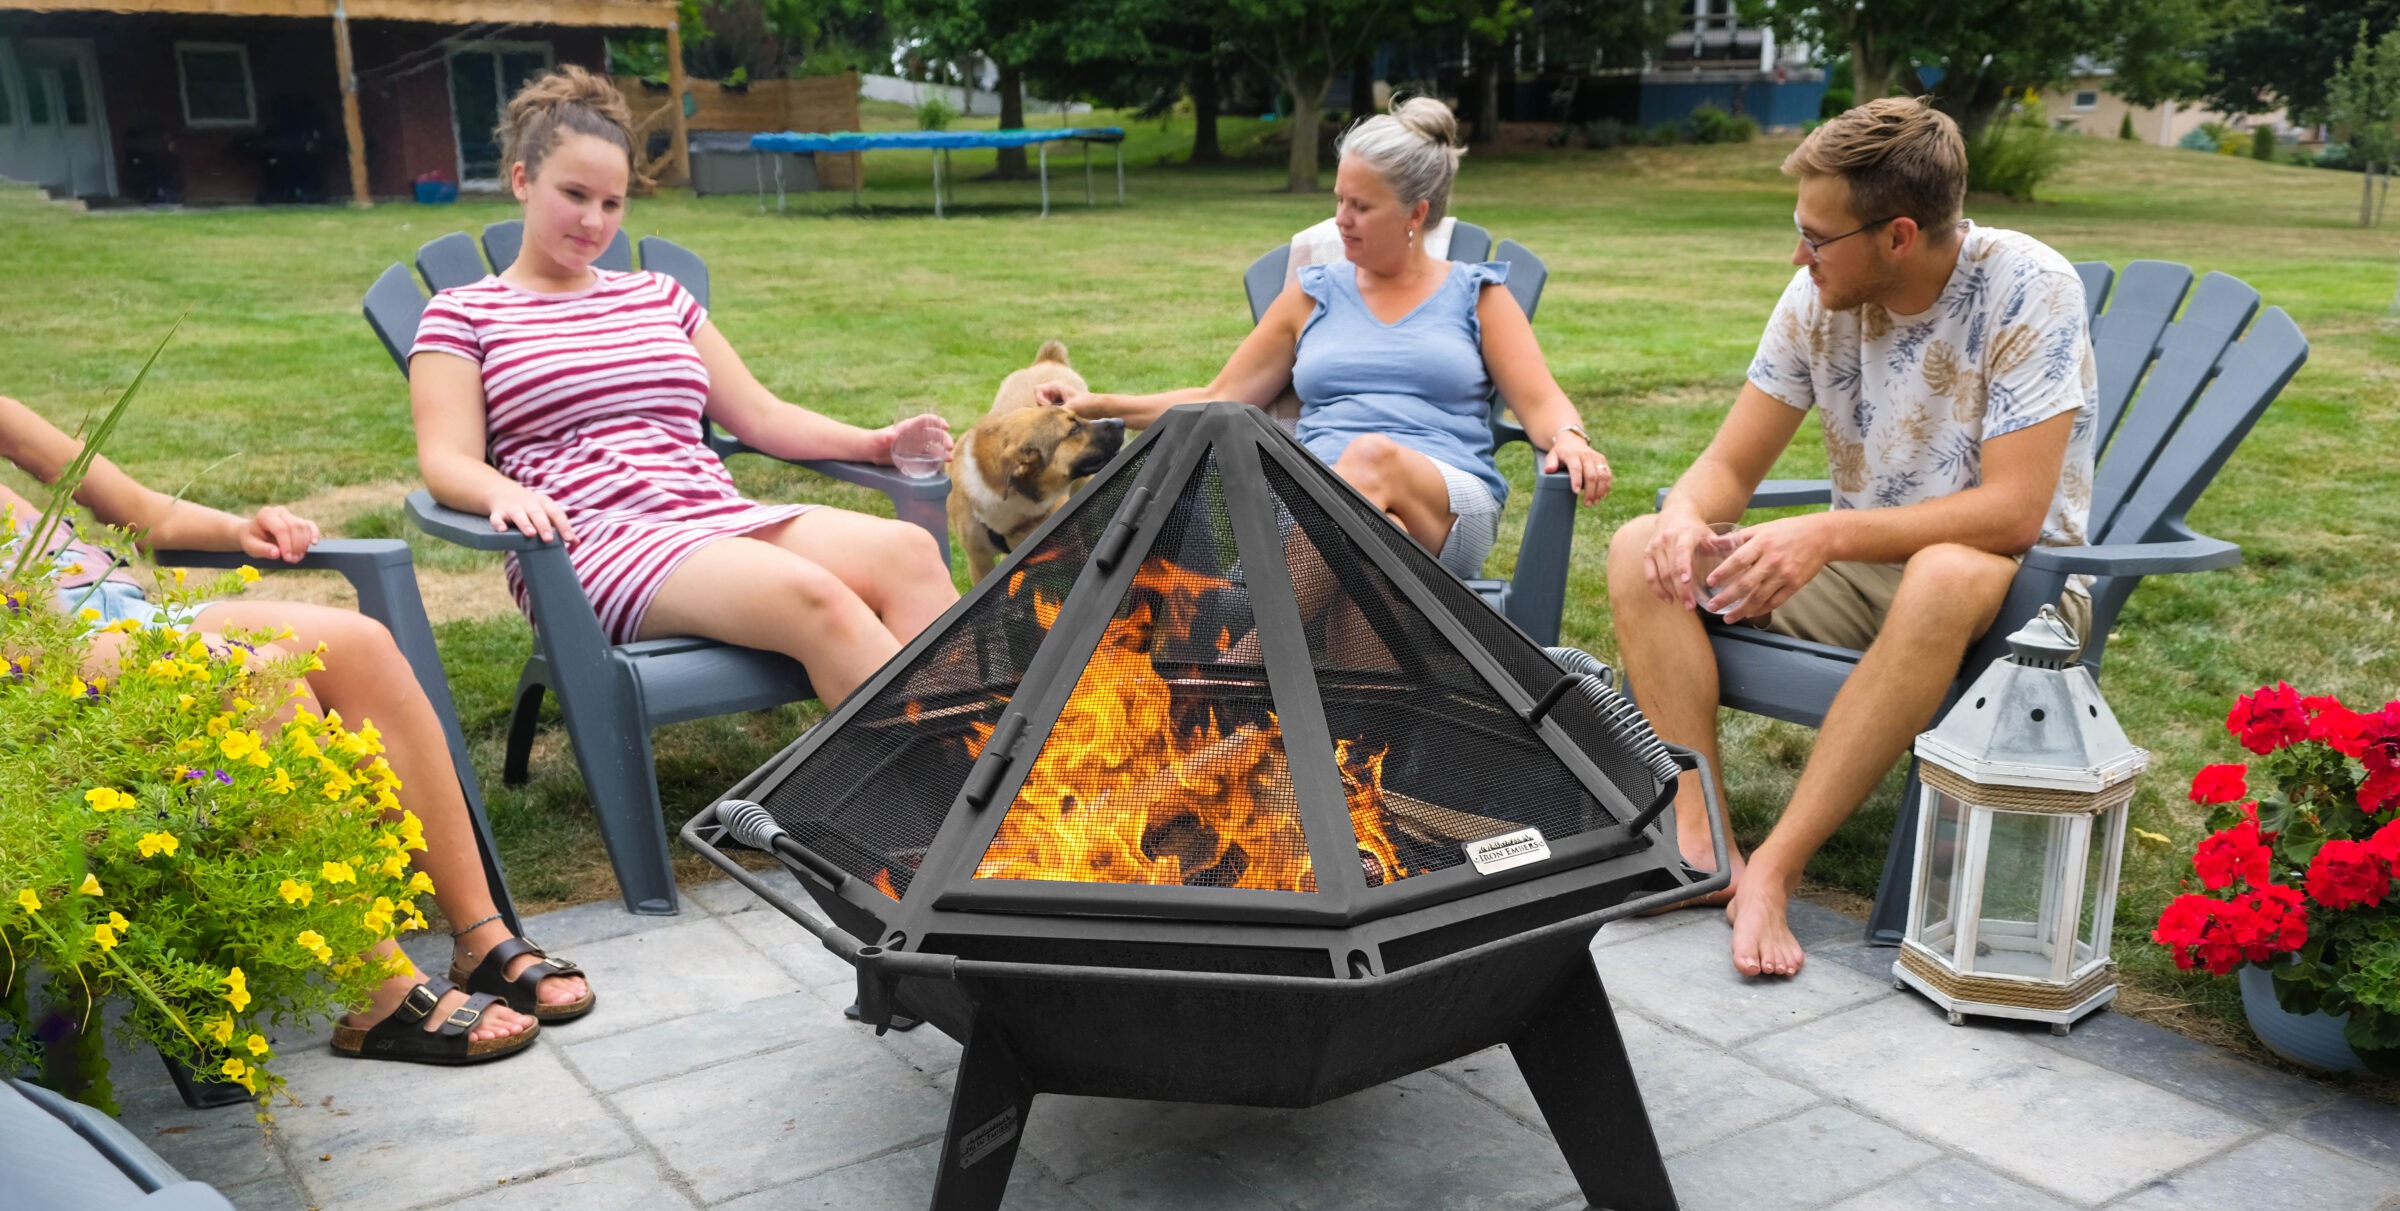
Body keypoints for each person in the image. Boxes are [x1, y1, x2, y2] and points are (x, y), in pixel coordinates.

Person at [1608, 98, 2099, 979]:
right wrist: (1683, 519)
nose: (1798, 255)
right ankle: (1704, 837)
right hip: (1866, 570)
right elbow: (1726, 468)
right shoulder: (1818, 297)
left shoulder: (2031, 286)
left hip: (2017, 591)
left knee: (1945, 571)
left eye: (1817, 237)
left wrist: (1829, 533)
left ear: (1899, 235)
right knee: (1640, 546)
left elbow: (2015, 513)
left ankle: (1776, 868)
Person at [0, 396, 594, 1064]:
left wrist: (238, 528)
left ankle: (479, 938)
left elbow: (139, 509)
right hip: (30, 666)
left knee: (359, 644)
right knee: (256, 674)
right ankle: (381, 989)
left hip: (115, 615)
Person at [408, 66, 958, 710]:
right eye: (575, 194)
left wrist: (875, 443)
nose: (594, 221)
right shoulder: (465, 312)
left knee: (910, 552)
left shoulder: (657, 295)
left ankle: (983, 760)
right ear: (523, 181)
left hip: (714, 515)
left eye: (612, 203)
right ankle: (942, 787)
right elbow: (445, 460)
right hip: (592, 541)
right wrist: (504, 491)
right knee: (818, 598)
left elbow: (759, 415)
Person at [1066, 98, 1611, 580]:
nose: (1340, 221)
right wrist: (1099, 407)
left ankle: (1243, 656)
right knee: (1376, 553)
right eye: (1339, 200)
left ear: (1415, 215)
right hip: (1316, 509)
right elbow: (1222, 396)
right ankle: (1353, 694)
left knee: (1372, 458)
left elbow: (1540, 400)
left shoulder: (1478, 296)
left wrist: (1569, 436)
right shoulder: (1312, 295)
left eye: (1361, 206)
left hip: (1446, 504)